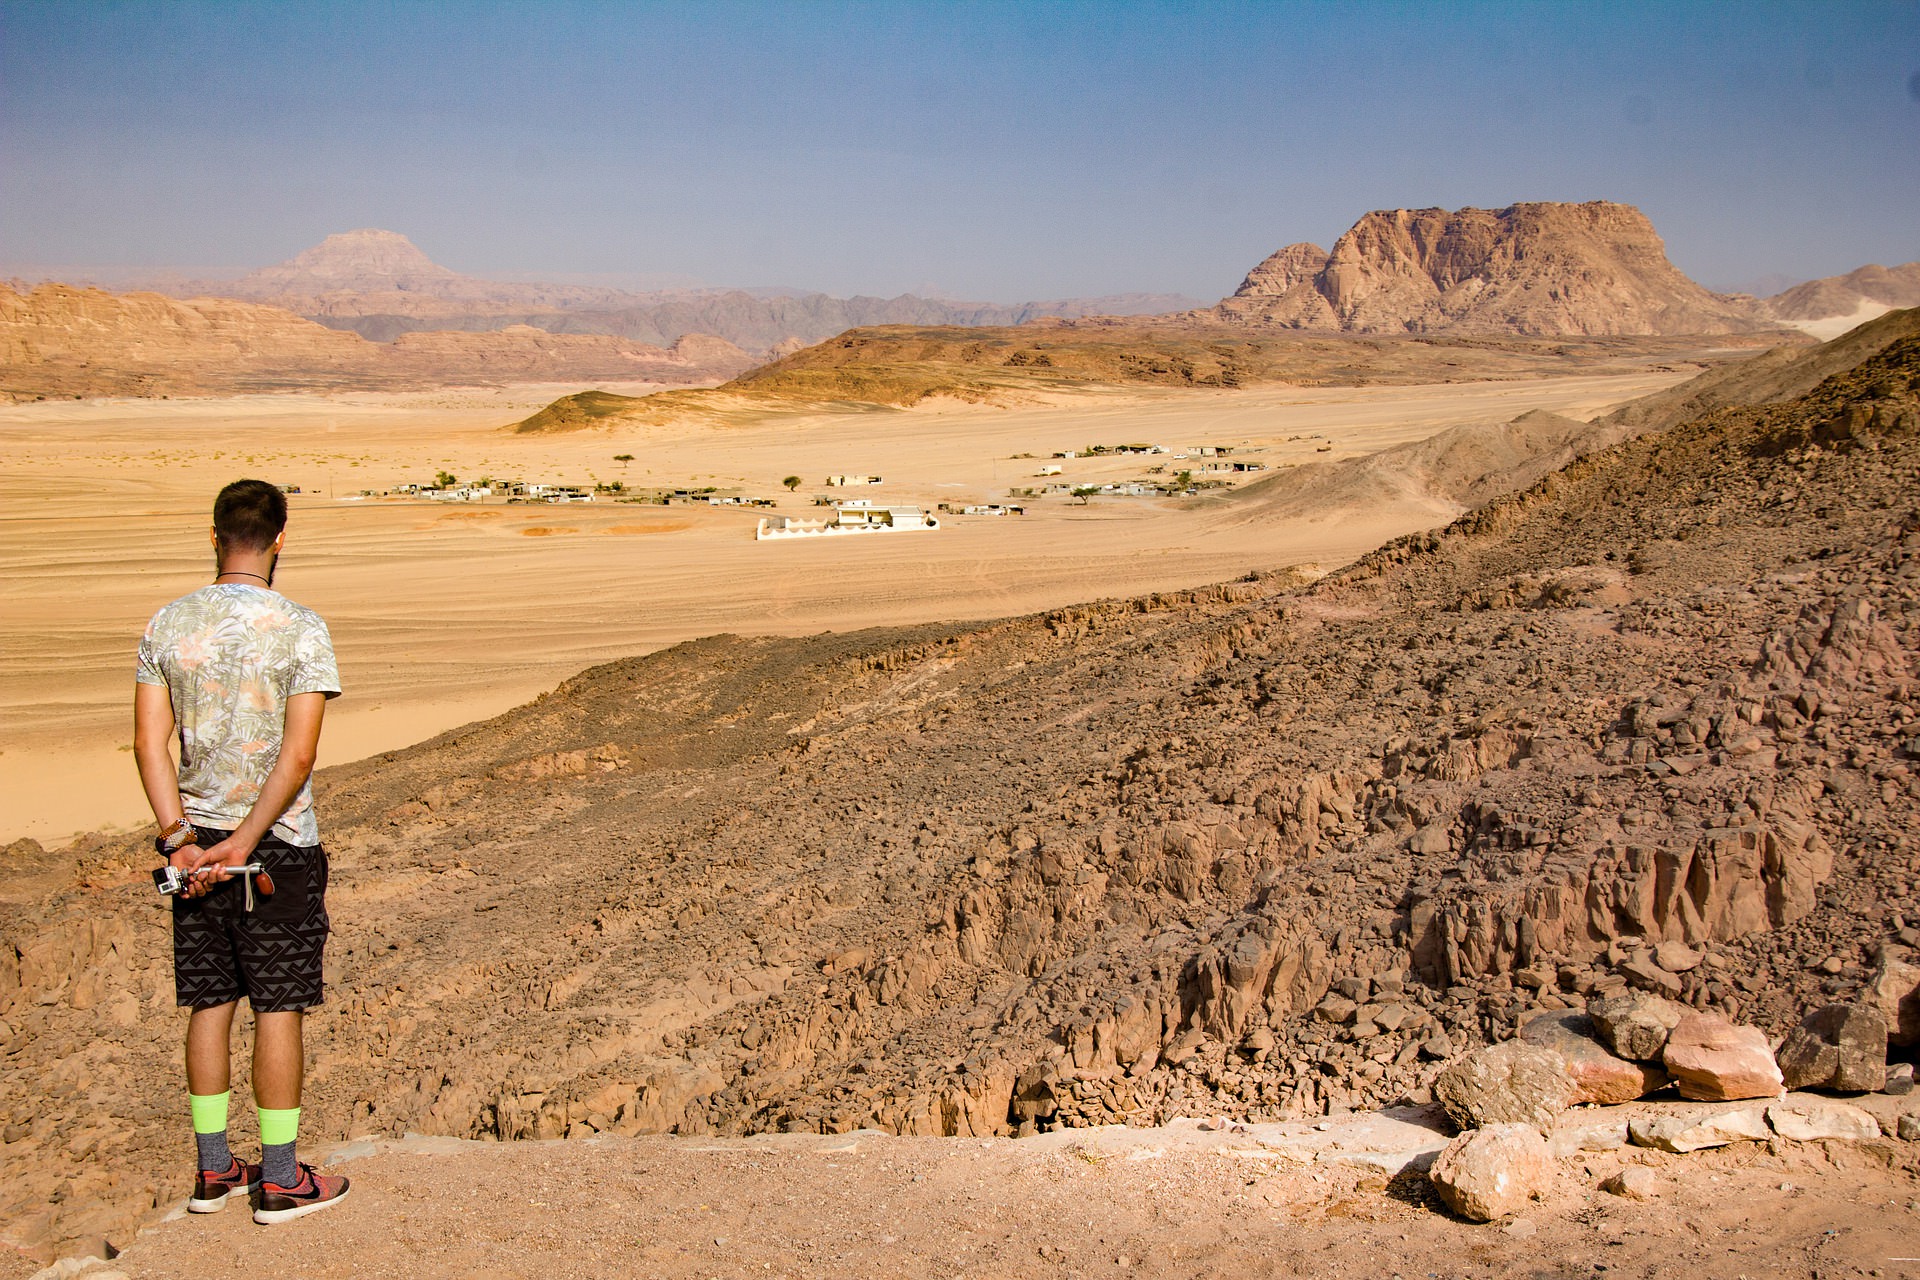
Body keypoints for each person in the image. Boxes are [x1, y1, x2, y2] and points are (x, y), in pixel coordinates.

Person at [133, 479, 349, 1225]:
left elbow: (147, 742)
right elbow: (297, 756)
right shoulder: (300, 628)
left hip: (192, 859)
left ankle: (214, 1169)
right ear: (281, 538)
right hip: (276, 850)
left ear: (215, 534)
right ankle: (283, 1179)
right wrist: (243, 844)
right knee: (279, 1007)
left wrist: (181, 839)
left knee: (209, 1003)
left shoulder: (168, 624)